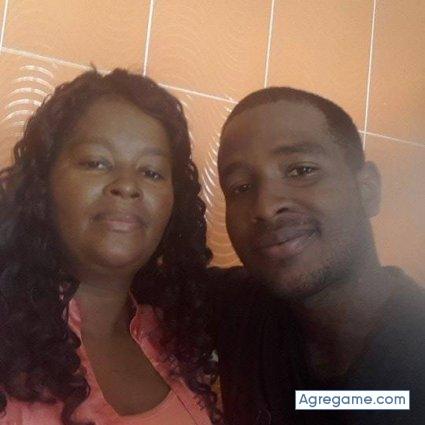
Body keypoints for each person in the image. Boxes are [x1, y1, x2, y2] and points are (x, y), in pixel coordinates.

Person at [0, 69, 221, 424]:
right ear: (43, 183)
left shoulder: (182, 342)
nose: (127, 186)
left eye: (151, 172)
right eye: (96, 162)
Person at [212, 87, 425, 424]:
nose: (265, 207)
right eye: (240, 187)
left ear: (367, 190)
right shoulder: (237, 310)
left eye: (301, 171)